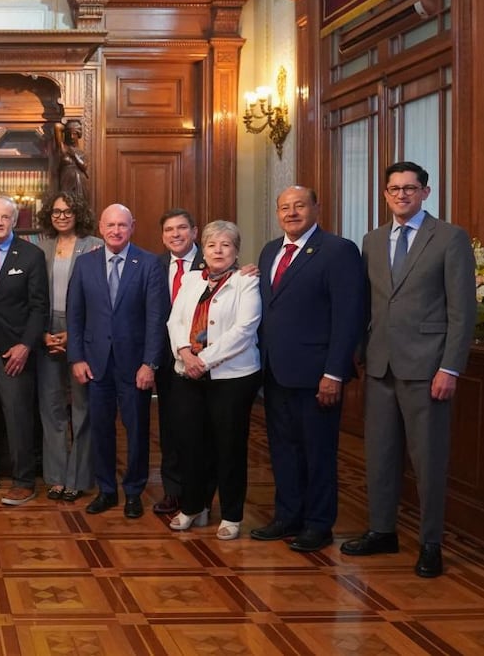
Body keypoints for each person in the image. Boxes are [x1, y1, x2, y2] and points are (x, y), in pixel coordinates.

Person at [341, 162, 476, 577]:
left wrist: (450, 368)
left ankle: (430, 542)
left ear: (426, 193)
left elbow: (463, 311)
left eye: (410, 189)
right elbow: (367, 302)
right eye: (394, 189)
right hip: (380, 365)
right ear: (385, 194)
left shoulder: (449, 238)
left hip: (427, 368)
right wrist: (362, 351)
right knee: (379, 456)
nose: (402, 195)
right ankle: (382, 531)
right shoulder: (373, 239)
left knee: (428, 460)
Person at [252, 185, 365, 553]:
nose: (292, 213)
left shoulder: (338, 251)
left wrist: (334, 373)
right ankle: (288, 516)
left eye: (300, 206)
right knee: (283, 449)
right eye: (284, 207)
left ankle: (319, 524)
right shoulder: (270, 251)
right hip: (275, 371)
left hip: (317, 374)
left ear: (317, 207)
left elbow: (349, 317)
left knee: (318, 452)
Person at [67, 204, 168, 518]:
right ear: (100, 226)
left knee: (137, 430)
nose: (116, 230)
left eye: (122, 225)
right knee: (100, 429)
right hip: (96, 364)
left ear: (132, 226)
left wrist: (149, 363)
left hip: (134, 364)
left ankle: (134, 492)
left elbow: (155, 318)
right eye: (110, 225)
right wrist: (77, 358)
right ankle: (106, 490)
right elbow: (75, 315)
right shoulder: (84, 264)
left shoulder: (149, 263)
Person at [165, 221, 261, 540]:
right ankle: (195, 507)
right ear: (202, 249)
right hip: (188, 373)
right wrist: (184, 353)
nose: (218, 251)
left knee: (229, 446)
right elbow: (175, 319)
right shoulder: (192, 280)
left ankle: (232, 514)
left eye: (226, 245)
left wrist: (203, 360)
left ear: (236, 251)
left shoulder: (246, 281)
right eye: (211, 245)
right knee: (192, 444)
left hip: (232, 378)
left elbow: (244, 331)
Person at [0, 196, 48, 505]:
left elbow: (39, 306)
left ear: (16, 221)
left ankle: (24, 479)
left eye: (6, 217)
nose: (0, 221)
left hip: (13, 350)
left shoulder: (31, 255)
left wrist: (25, 345)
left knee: (17, 416)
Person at [37, 192, 100, 503]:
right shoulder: (40, 246)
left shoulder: (95, 245)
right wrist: (43, 333)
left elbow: (100, 301)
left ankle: (79, 477)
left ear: (79, 213)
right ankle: (57, 477)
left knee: (82, 408)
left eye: (68, 211)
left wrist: (73, 334)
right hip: (46, 331)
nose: (61, 216)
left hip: (83, 332)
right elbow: (32, 295)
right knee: (51, 409)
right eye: (56, 211)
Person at [153, 209, 206, 516]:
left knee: (202, 431)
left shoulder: (213, 260)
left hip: (205, 361)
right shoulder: (154, 265)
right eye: (169, 229)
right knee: (171, 430)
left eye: (182, 228)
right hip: (166, 360)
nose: (175, 234)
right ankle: (174, 491)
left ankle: (200, 496)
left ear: (194, 231)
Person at [54, 120, 88, 203]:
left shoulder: (82, 153)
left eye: (74, 133)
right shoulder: (63, 149)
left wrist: (74, 155)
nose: (71, 137)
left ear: (78, 135)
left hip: (79, 182)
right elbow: (57, 126)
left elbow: (84, 166)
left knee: (80, 205)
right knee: (66, 203)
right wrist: (66, 128)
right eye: (69, 134)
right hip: (66, 182)